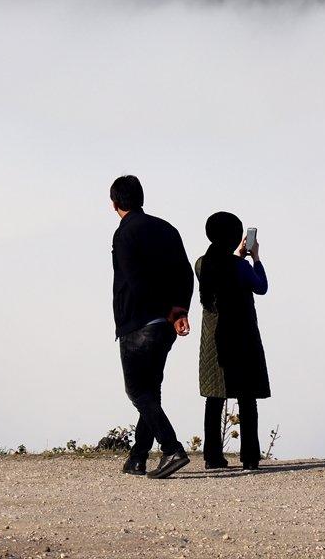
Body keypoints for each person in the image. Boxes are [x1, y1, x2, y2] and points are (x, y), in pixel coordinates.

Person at [109, 175, 193, 480]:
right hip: (167, 325)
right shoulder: (167, 229)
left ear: (114, 203)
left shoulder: (125, 233)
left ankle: (171, 448)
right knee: (150, 391)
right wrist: (179, 309)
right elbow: (186, 274)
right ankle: (138, 457)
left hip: (137, 322)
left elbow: (135, 281)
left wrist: (163, 309)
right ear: (141, 198)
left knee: (137, 392)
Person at [196, 211, 270, 471]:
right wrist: (256, 258)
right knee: (247, 398)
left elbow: (222, 271)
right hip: (242, 338)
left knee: (214, 399)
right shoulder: (241, 267)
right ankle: (250, 457)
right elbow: (261, 286)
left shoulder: (202, 264)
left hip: (212, 344)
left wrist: (237, 257)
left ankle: (212, 457)